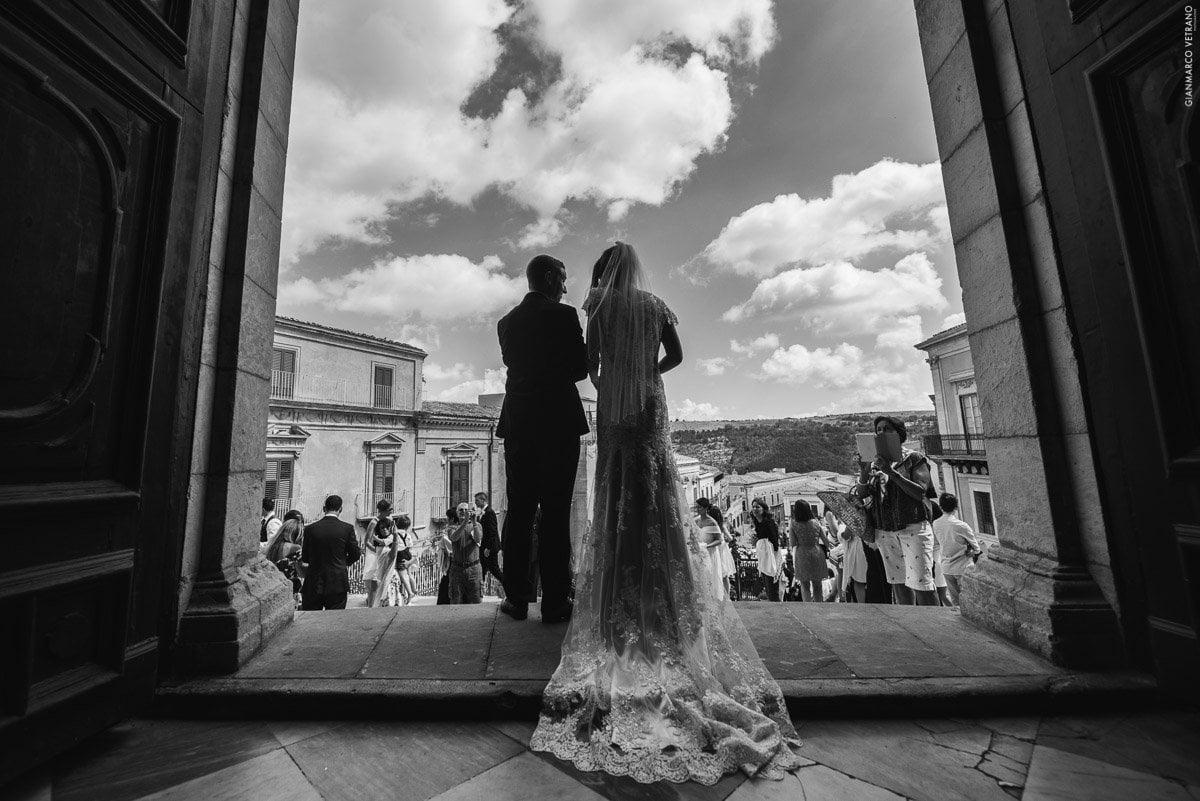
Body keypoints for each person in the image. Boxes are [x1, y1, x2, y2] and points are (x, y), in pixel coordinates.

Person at [531, 242, 803, 784]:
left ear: (603, 271)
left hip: (615, 411)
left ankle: (622, 605)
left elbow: (589, 365)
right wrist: (646, 370)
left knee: (616, 499)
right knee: (655, 499)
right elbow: (676, 357)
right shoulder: (656, 306)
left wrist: (614, 383)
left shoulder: (597, 307)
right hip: (650, 404)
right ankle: (664, 605)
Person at [496, 254, 589, 623]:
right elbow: (581, 369)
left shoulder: (506, 322)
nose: (566, 288)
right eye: (563, 280)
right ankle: (554, 600)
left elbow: (514, 364)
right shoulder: (565, 315)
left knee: (518, 512)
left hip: (519, 425)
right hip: (559, 425)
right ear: (550, 277)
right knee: (556, 512)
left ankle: (516, 599)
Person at [853, 416, 938, 606]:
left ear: (899, 434)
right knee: (898, 584)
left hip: (912, 528)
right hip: (885, 531)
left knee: (922, 584)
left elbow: (920, 491)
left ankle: (934, 626)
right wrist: (864, 471)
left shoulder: (913, 458)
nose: (882, 432)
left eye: (887, 429)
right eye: (879, 430)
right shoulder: (876, 464)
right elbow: (863, 493)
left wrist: (892, 473)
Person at [299, 495, 360, 611]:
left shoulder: (310, 529)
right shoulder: (347, 528)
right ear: (340, 509)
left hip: (314, 582)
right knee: (334, 621)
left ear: (324, 508)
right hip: (337, 582)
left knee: (311, 620)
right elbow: (356, 554)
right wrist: (343, 562)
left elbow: (305, 558)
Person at [932, 492, 982, 606]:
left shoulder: (936, 524)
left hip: (947, 568)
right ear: (956, 507)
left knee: (955, 602)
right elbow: (977, 549)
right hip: (963, 567)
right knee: (970, 601)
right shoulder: (961, 525)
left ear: (941, 507)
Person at [697, 496, 735, 599]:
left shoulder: (716, 525)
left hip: (718, 550)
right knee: (722, 574)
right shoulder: (720, 525)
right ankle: (724, 596)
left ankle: (721, 595)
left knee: (720, 573)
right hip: (719, 549)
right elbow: (730, 538)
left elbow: (724, 538)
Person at [788, 502, 828, 602]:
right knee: (817, 585)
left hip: (802, 554)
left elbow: (793, 543)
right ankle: (818, 607)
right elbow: (825, 540)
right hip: (816, 553)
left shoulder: (793, 524)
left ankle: (808, 608)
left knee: (805, 585)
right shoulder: (816, 522)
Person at [447, 501, 484, 604]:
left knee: (476, 601)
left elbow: (478, 539)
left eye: (466, 510)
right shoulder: (452, 527)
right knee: (456, 601)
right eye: (461, 510)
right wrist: (464, 522)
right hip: (457, 570)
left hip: (474, 569)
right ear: (457, 513)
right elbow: (454, 538)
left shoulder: (477, 526)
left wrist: (474, 522)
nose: (463, 512)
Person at [363, 499, 395, 607]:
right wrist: (377, 551)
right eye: (390, 509)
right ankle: (372, 606)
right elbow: (366, 542)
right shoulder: (374, 522)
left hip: (384, 553)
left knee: (384, 580)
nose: (392, 511)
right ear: (384, 510)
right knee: (374, 583)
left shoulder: (389, 520)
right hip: (374, 553)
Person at [266, 509, 305, 598]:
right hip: (289, 591)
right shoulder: (295, 548)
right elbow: (301, 573)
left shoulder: (273, 546)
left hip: (274, 587)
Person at [750, 498, 782, 601]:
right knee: (768, 588)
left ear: (764, 509)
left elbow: (774, 542)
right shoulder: (758, 523)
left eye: (757, 507)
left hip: (771, 557)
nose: (755, 509)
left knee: (772, 589)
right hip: (764, 558)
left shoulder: (768, 523)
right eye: (753, 507)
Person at [474, 492, 503, 598]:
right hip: (485, 547)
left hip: (489, 547)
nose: (476, 503)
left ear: (483, 500)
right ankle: (479, 592)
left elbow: (492, 531)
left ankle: (508, 586)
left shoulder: (489, 512)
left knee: (494, 569)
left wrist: (488, 548)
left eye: (477, 500)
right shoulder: (483, 512)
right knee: (482, 569)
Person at [392, 514, 416, 605]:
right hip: (407, 553)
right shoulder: (408, 534)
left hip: (400, 554)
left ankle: (410, 592)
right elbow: (410, 545)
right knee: (409, 573)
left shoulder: (396, 533)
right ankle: (414, 589)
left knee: (402, 575)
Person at [435, 508, 455, 605]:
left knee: (445, 586)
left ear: (451, 519)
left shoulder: (449, 532)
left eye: (448, 518)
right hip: (452, 564)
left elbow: (450, 550)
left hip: (452, 564)